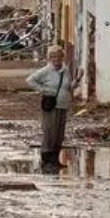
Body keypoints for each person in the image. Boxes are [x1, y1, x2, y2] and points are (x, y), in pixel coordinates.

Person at [26, 45, 71, 173]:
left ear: (62, 57)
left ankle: (55, 159)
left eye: (59, 57)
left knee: (59, 134)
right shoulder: (46, 70)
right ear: (50, 58)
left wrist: (76, 81)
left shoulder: (65, 70)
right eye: (53, 57)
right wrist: (45, 90)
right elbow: (30, 80)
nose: (56, 59)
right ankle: (46, 160)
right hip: (51, 105)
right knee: (50, 132)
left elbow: (67, 86)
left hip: (63, 104)